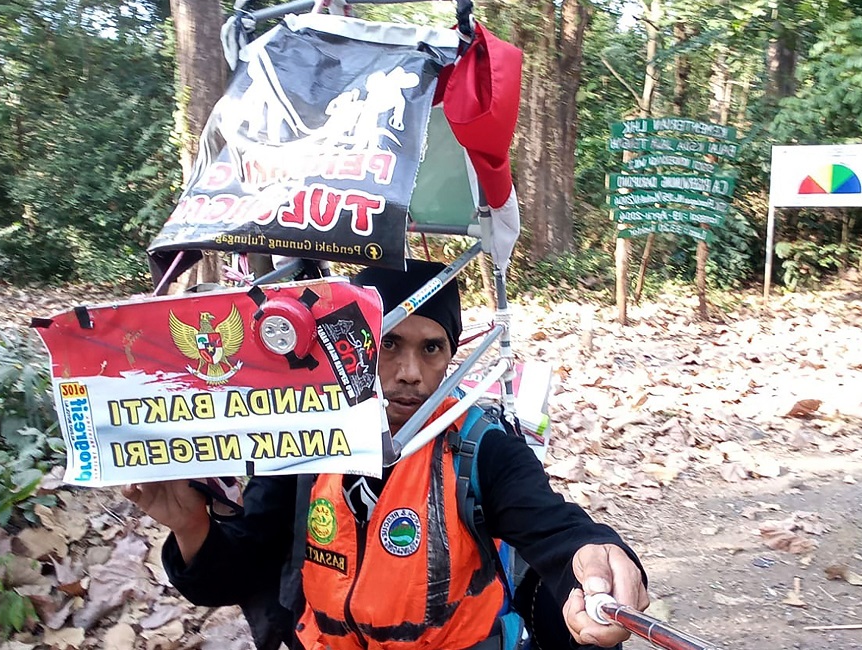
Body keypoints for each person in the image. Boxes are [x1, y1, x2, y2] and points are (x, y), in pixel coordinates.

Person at [124, 260, 649, 649]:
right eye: (388, 343)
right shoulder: (305, 440)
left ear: (450, 356)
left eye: (431, 347)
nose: (409, 373)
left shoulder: (480, 447)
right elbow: (242, 567)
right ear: (355, 347)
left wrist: (596, 555)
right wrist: (193, 527)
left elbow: (552, 525)